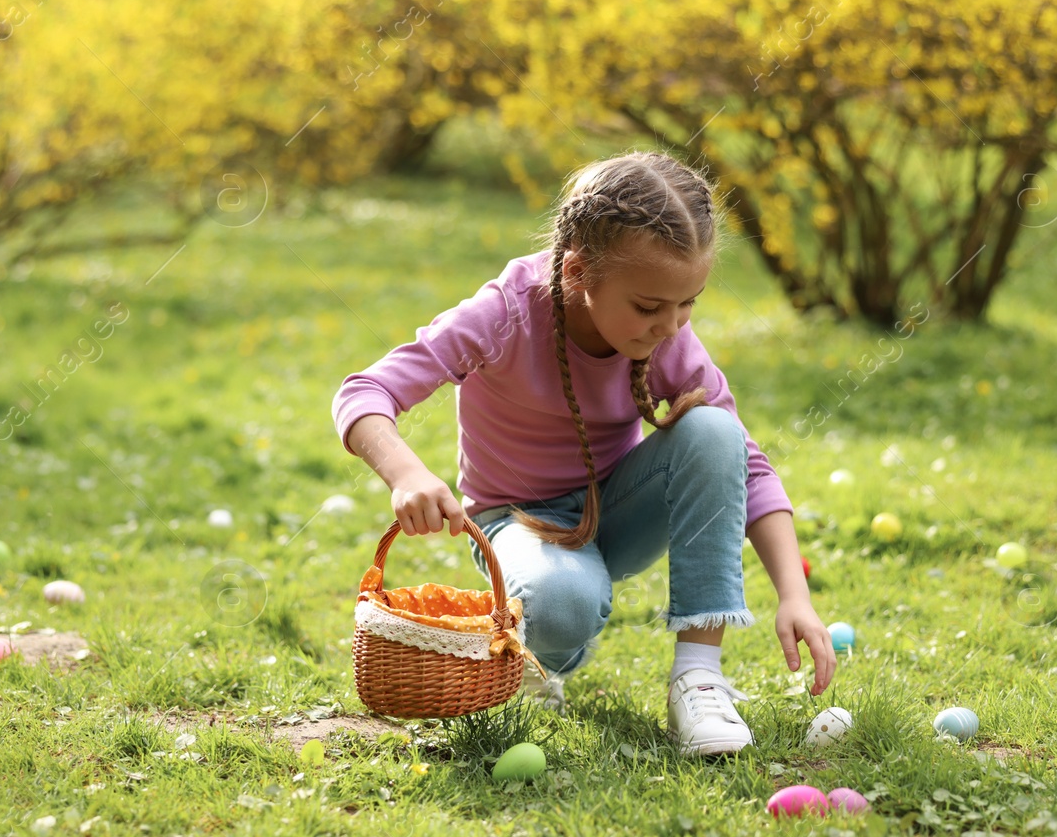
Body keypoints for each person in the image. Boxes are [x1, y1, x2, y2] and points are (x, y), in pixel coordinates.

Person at [332, 150, 836, 755]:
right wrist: (405, 471)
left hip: (619, 506)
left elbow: (745, 464)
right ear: (575, 271)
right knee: (563, 603)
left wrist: (794, 594)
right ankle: (542, 657)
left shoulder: (665, 336)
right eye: (650, 307)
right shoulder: (506, 313)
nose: (671, 326)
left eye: (689, 303)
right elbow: (366, 391)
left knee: (714, 430)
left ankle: (699, 677)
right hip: (517, 521)